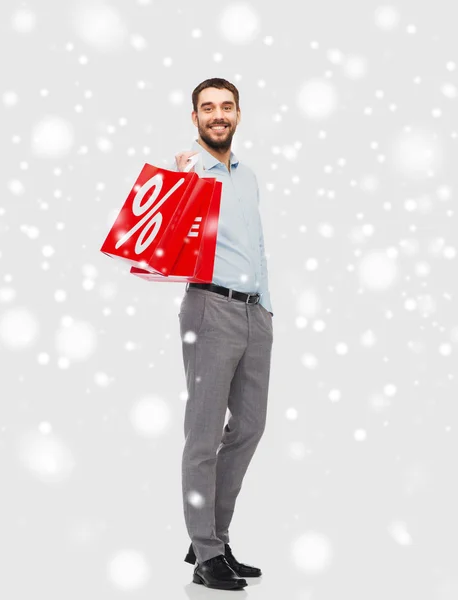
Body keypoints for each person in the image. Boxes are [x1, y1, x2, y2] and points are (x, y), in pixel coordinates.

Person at [172, 77, 273, 591]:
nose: (217, 114)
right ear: (195, 119)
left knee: (250, 426)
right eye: (207, 108)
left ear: (238, 114)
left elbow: (255, 246)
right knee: (204, 434)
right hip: (210, 307)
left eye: (226, 106)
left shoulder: (247, 175)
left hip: (256, 314)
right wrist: (177, 179)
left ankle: (212, 536)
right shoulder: (187, 172)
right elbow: (159, 237)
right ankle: (206, 550)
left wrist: (268, 310)